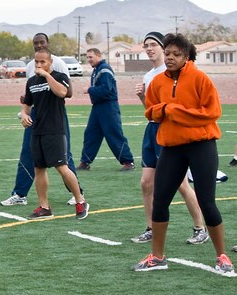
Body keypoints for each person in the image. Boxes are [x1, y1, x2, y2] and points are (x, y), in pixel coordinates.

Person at [132, 33, 234, 273]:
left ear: (186, 56)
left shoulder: (200, 79)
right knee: (160, 202)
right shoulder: (158, 82)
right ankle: (157, 257)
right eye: (167, 54)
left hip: (202, 146)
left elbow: (212, 112)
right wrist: (163, 110)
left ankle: (222, 257)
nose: (170, 58)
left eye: (175, 54)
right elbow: (151, 111)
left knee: (207, 202)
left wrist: (173, 111)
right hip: (171, 148)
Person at [132, 32, 209, 245]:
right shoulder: (149, 76)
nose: (149, 49)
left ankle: (199, 227)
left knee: (181, 184)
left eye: (153, 45)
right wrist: (141, 97)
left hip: (170, 133)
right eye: (145, 45)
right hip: (152, 131)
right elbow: (151, 111)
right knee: (146, 183)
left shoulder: (173, 72)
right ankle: (150, 227)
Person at [1, 32, 83, 207]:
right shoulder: (31, 66)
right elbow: (32, 93)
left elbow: (66, 92)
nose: (38, 45)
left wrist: (47, 78)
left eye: (41, 42)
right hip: (36, 117)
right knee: (28, 153)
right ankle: (20, 194)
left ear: (47, 44)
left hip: (55, 117)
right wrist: (25, 110)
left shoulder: (58, 64)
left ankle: (76, 193)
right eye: (35, 43)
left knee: (64, 156)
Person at [20, 48, 89, 220]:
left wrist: (46, 75)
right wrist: (24, 115)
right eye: (36, 62)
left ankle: (80, 200)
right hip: (37, 130)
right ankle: (44, 207)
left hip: (55, 130)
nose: (39, 65)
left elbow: (62, 92)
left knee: (61, 167)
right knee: (39, 168)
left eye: (43, 61)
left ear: (50, 62)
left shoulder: (59, 77)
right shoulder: (31, 82)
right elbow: (27, 104)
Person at [77, 48, 135, 171]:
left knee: (114, 133)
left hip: (108, 107)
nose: (89, 60)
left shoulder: (104, 69)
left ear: (98, 56)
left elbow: (106, 89)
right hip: (98, 107)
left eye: (91, 57)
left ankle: (128, 161)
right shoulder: (97, 70)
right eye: (87, 57)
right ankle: (85, 162)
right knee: (91, 134)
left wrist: (89, 90)